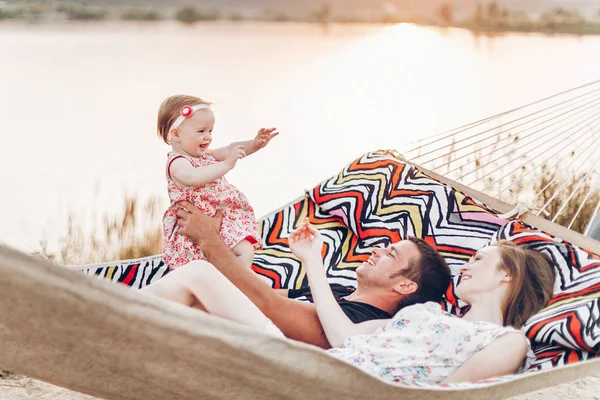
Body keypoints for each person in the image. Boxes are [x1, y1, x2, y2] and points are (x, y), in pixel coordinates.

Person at [141, 202, 452, 349]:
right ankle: (112, 326)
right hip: (243, 340)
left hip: (276, 357)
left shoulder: (363, 318)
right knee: (193, 300)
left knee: (199, 274)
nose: (377, 251)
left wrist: (211, 242)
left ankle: (104, 317)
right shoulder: (338, 290)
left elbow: (269, 306)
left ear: (404, 284)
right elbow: (266, 294)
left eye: (391, 254)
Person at [287, 220, 556, 384]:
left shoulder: (506, 341)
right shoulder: (425, 313)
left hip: (348, 387)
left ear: (507, 273)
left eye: (478, 259)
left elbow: (446, 395)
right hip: (313, 368)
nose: (464, 267)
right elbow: (344, 336)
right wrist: (312, 259)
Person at [156, 94, 278, 269]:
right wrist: (227, 164)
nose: (208, 137)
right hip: (194, 229)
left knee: (245, 250)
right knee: (231, 256)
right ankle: (240, 284)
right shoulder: (178, 163)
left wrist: (254, 144)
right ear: (176, 134)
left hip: (220, 220)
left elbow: (230, 149)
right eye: (201, 131)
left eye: (210, 131)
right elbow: (194, 177)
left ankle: (239, 283)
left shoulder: (205, 154)